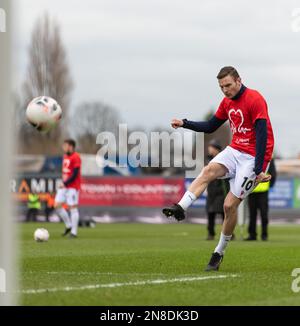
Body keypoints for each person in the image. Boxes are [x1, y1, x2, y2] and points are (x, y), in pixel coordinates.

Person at [162, 66, 274, 271]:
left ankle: (218, 252)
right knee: (207, 170)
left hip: (254, 156)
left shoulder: (255, 99)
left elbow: (262, 135)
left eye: (228, 85)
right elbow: (211, 125)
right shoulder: (227, 101)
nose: (225, 90)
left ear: (239, 80)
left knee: (229, 205)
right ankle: (180, 207)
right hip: (236, 149)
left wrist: (258, 168)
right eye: (221, 87)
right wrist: (184, 123)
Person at [54, 139, 81, 238]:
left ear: (71, 146)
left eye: (65, 145)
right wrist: (64, 183)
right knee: (57, 205)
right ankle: (68, 225)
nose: (63, 147)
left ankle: (74, 232)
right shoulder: (65, 156)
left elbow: (75, 174)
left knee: (73, 208)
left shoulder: (76, 157)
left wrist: (65, 183)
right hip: (64, 186)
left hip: (72, 187)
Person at [246, 158, 277, 241]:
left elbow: (273, 174)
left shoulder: (269, 159)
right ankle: (254, 235)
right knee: (253, 214)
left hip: (262, 191)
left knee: (262, 213)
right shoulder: (252, 157)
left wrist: (269, 186)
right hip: (252, 191)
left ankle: (263, 234)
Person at [205, 140, 230, 240]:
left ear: (216, 149)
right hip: (211, 190)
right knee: (210, 213)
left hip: (221, 190)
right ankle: (211, 233)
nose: (209, 149)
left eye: (211, 147)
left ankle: (228, 233)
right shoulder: (207, 160)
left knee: (224, 213)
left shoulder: (223, 159)